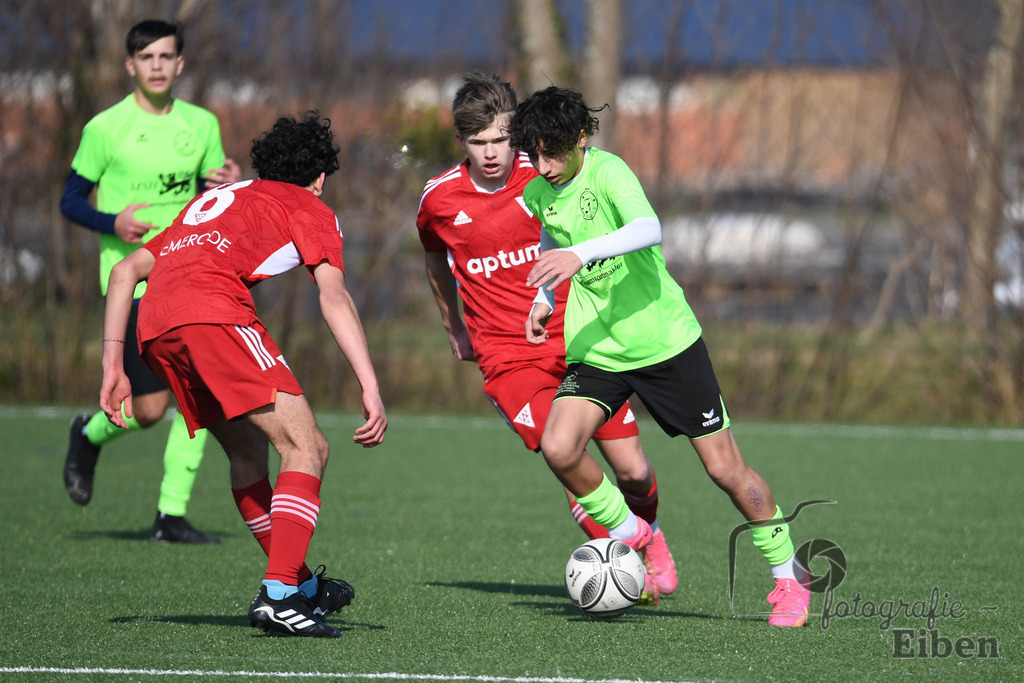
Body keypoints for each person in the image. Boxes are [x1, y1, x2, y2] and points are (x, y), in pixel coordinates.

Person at [509, 86, 812, 627]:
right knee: (558, 447)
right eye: (534, 154)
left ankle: (789, 575)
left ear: (581, 138)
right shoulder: (538, 191)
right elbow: (551, 238)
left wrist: (581, 254)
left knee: (724, 468)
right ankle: (631, 533)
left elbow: (650, 228)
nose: (545, 165)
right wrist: (543, 298)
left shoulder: (608, 173)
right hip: (598, 349)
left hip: (665, 343)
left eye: (554, 151)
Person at [98, 110, 387, 638]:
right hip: (213, 316)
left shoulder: (214, 203)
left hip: (155, 327)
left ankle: (295, 583)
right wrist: (370, 383)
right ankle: (279, 595)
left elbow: (124, 271)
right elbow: (334, 296)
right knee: (308, 448)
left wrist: (113, 365)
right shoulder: (309, 205)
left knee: (248, 452)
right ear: (319, 178)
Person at [416, 72, 677, 603]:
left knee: (633, 469)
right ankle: (629, 560)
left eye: (500, 140)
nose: (492, 154)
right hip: (509, 359)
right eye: (478, 142)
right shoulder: (440, 200)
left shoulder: (546, 180)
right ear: (462, 142)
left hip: (578, 342)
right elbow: (433, 258)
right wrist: (454, 328)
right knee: (566, 457)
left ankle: (649, 538)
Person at [60, 19, 241, 544]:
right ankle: (89, 433)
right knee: (150, 407)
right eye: (147, 57)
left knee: (200, 393)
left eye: (166, 56)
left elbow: (213, 195)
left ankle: (170, 514)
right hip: (131, 285)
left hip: (191, 276)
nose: (157, 65)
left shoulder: (202, 124)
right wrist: (111, 222)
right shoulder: (105, 128)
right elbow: (69, 200)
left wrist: (227, 183)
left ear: (180, 64)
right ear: (130, 65)